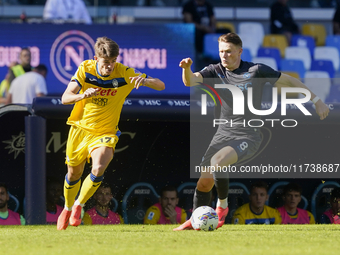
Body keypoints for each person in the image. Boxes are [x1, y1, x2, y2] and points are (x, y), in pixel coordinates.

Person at [173, 32, 329, 231]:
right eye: (221, 51)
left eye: (229, 52)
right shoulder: (215, 70)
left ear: (240, 51)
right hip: (222, 134)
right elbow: (190, 81)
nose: (224, 55)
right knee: (204, 183)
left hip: (248, 134)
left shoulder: (256, 70)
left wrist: (317, 101)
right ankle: (195, 220)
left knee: (217, 163)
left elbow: (290, 82)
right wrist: (186, 69)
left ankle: (222, 206)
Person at [57, 36, 165, 230]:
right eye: (106, 62)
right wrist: (83, 95)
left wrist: (145, 81)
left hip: (106, 131)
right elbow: (65, 97)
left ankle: (78, 206)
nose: (110, 66)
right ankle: (66, 208)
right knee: (74, 174)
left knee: (98, 168)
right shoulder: (85, 69)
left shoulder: (124, 73)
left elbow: (161, 85)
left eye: (113, 61)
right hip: (80, 129)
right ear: (96, 58)